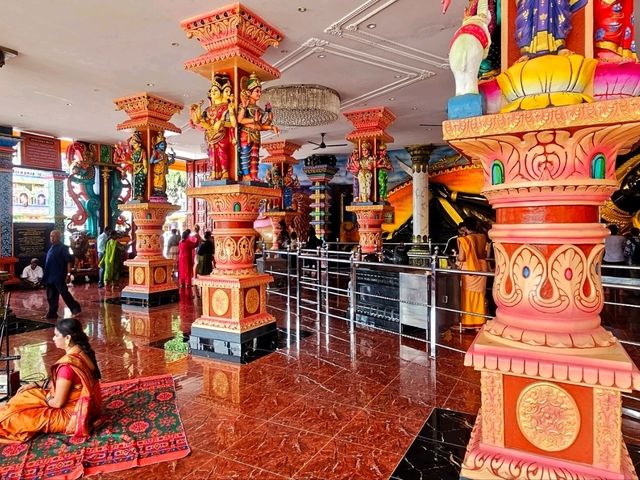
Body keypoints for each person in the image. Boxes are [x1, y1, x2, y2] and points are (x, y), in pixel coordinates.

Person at [0, 318, 102, 443]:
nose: (53, 339)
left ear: (68, 338)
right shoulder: (83, 353)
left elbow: (57, 403)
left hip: (73, 416)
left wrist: (46, 397)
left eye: (56, 335)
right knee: (26, 394)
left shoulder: (67, 366)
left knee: (15, 419)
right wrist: (36, 384)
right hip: (89, 408)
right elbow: (66, 385)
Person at [190, 72, 237, 180]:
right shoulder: (208, 109)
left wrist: (222, 123)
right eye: (212, 90)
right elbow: (202, 122)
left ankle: (225, 172)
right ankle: (214, 173)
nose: (213, 92)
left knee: (221, 152)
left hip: (222, 134)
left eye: (216, 90)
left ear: (221, 92)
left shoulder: (226, 107)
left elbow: (233, 124)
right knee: (211, 154)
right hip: (211, 135)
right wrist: (196, 116)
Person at [237, 72, 280, 180]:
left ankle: (254, 176)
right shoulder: (244, 105)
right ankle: (246, 175)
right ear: (249, 92)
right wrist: (252, 119)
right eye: (257, 91)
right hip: (246, 133)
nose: (259, 93)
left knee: (255, 156)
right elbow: (240, 120)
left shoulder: (259, 110)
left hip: (256, 134)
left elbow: (260, 126)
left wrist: (270, 123)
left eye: (260, 91)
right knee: (245, 155)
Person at [456, 217, 489, 329]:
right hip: (482, 267)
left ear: (465, 227)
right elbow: (484, 253)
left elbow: (461, 257)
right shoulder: (483, 237)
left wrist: (457, 257)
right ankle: (480, 321)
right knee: (480, 294)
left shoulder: (465, 239)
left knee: (467, 294)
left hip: (470, 269)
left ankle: (468, 322)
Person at [42, 230, 81, 320]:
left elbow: (68, 262)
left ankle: (75, 308)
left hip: (58, 275)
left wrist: (68, 274)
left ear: (59, 237)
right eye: (51, 236)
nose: (52, 238)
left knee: (64, 293)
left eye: (54, 236)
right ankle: (52, 312)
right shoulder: (52, 247)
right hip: (49, 275)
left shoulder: (63, 248)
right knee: (51, 295)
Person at [149, 132, 175, 197]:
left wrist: (172, 157)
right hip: (158, 172)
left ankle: (162, 192)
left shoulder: (165, 155)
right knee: (158, 183)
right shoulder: (156, 153)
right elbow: (151, 161)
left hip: (163, 172)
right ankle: (158, 192)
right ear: (157, 145)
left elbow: (168, 163)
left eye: (164, 145)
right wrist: (159, 160)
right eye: (162, 144)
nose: (163, 146)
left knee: (163, 184)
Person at [129, 131, 147, 201]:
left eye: (135, 143)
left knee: (140, 183)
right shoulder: (133, 152)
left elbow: (144, 160)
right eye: (132, 144)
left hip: (141, 168)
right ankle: (135, 196)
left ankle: (140, 196)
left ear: (139, 144)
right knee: (134, 183)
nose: (133, 145)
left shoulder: (142, 151)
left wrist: (145, 168)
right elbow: (132, 162)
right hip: (135, 170)